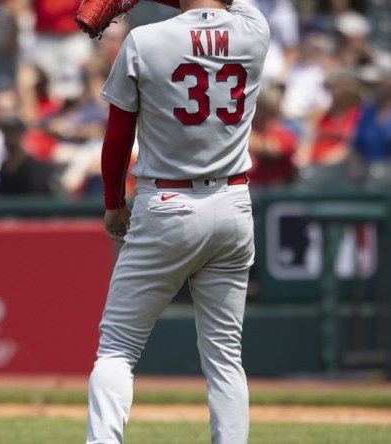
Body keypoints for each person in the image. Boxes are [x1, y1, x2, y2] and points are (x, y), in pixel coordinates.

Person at [85, 1, 269, 443]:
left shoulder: (145, 40)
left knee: (117, 348)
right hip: (233, 202)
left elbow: (117, 137)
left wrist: (113, 202)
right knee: (225, 357)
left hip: (167, 202)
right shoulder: (254, 30)